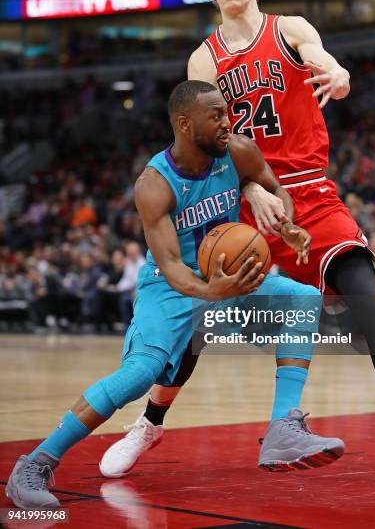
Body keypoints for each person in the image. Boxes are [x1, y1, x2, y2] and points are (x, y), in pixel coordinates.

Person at [110, 0, 375, 481]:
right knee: (198, 317)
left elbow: (323, 60)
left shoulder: (288, 29)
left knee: (366, 299)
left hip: (309, 192)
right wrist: (249, 187)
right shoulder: (204, 57)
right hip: (244, 196)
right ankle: (149, 424)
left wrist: (340, 75)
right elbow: (204, 143)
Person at [6, 81, 344, 509]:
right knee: (139, 374)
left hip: (230, 276)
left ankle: (283, 428)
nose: (228, 122)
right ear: (185, 124)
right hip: (171, 287)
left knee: (303, 299)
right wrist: (211, 291)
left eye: (227, 113)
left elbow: (275, 190)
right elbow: (170, 267)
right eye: (216, 116)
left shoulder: (238, 150)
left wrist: (288, 223)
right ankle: (34, 464)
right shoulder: (153, 184)